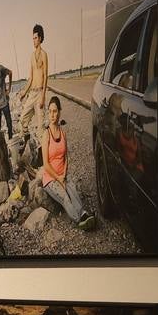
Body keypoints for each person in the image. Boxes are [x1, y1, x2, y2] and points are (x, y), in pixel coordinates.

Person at [41, 95, 97, 230]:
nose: (52, 115)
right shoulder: (46, 135)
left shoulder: (63, 133)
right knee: (65, 197)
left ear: (59, 112)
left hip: (62, 174)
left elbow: (65, 157)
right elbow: (46, 165)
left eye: (55, 111)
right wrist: (59, 178)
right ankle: (80, 220)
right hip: (50, 178)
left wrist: (64, 173)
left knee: (74, 192)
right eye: (50, 111)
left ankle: (84, 214)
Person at [18, 23, 49, 135]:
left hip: (40, 92)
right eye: (33, 38)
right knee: (22, 119)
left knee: (41, 128)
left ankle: (43, 147)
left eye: (35, 38)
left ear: (40, 38)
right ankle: (26, 137)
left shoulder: (44, 54)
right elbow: (30, 78)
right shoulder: (31, 56)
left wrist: (43, 96)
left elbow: (45, 76)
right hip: (32, 93)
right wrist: (23, 93)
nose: (34, 41)